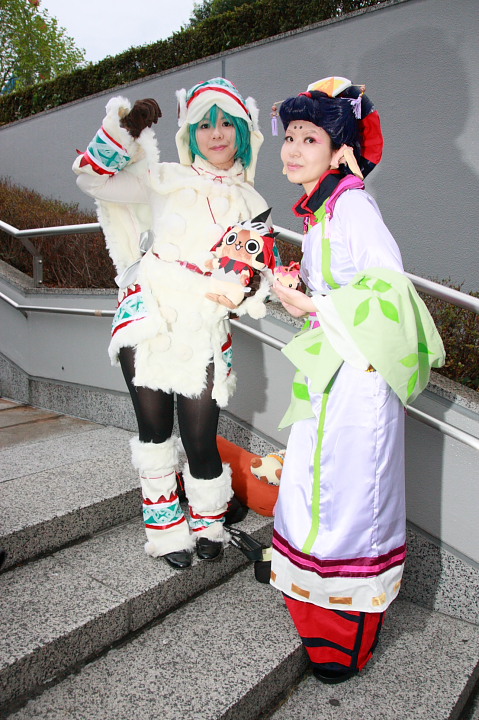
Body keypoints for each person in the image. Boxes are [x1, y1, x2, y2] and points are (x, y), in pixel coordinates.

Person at [270, 76, 444, 682]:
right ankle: (317, 612)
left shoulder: (351, 206)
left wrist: (312, 305)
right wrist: (302, 289)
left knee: (351, 501)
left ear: (340, 149)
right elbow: (344, 286)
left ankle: (345, 639)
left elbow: (390, 289)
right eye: (290, 136)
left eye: (309, 138)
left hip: (360, 377)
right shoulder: (325, 209)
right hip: (334, 369)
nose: (294, 149)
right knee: (317, 488)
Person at [73, 77, 275, 569]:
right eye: (205, 124)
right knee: (154, 429)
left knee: (201, 435)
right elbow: (92, 180)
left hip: (203, 326)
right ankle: (165, 531)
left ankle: (209, 522)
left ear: (243, 132)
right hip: (149, 316)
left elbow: (259, 277)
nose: (216, 133)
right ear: (190, 132)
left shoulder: (253, 203)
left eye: (226, 123)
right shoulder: (163, 176)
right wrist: (124, 133)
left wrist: (248, 289)